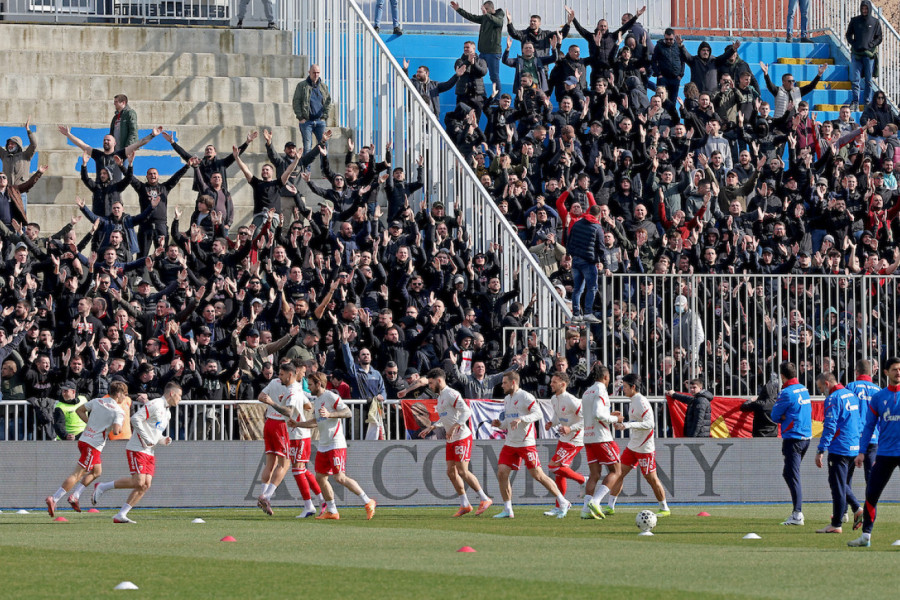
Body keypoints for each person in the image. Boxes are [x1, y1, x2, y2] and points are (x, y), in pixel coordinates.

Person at [91, 382, 183, 523]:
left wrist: (163, 439)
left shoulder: (167, 412)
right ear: (172, 393)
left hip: (149, 451)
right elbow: (135, 419)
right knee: (138, 481)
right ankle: (102, 486)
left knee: (145, 484)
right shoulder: (156, 404)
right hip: (137, 448)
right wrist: (146, 438)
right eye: (179, 395)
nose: (180, 399)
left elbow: (155, 432)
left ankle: (121, 514)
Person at [296, 372, 376, 520]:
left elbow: (347, 412)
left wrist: (330, 414)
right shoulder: (318, 400)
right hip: (324, 444)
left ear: (319, 384)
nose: (309, 387)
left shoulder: (330, 396)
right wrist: (298, 424)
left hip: (335, 443)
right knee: (320, 477)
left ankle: (368, 501)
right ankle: (332, 511)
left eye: (311, 384)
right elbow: (317, 421)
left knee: (339, 477)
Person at [491, 371, 571, 518]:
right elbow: (509, 423)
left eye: (504, 383)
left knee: (538, 475)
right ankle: (508, 509)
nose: (502, 386)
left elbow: (538, 414)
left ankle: (563, 501)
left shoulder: (526, 396)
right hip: (510, 443)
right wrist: (500, 425)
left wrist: (522, 419)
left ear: (513, 383)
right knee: (502, 473)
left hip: (526, 443)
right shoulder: (507, 399)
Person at [44, 381, 128, 517]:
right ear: (118, 394)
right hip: (93, 445)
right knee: (77, 474)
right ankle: (54, 498)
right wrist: (114, 425)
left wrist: (91, 424)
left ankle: (75, 496)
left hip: (84, 440)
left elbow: (79, 410)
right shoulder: (119, 411)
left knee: (97, 471)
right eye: (124, 394)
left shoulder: (98, 401)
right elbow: (117, 431)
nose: (125, 397)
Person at [419, 368, 493, 516]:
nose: (430, 386)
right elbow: (447, 417)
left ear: (439, 380)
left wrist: (454, 427)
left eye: (431, 383)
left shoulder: (451, 394)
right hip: (451, 439)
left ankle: (485, 499)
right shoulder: (440, 398)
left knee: (462, 471)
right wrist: (433, 426)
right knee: (451, 472)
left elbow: (466, 411)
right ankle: (465, 504)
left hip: (461, 437)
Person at [848, 357, 900, 547]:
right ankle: (865, 537)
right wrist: (861, 452)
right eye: (894, 369)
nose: (898, 372)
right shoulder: (879, 397)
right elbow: (869, 426)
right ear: (886, 373)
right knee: (872, 493)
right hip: (885, 452)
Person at [611, 373, 671, 517]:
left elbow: (650, 424)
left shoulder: (641, 401)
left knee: (651, 478)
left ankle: (664, 508)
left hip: (645, 447)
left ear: (633, 387)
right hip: (633, 445)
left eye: (625, 387)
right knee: (618, 473)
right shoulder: (633, 401)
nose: (623, 389)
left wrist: (627, 425)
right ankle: (609, 506)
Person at [814, 372, 862, 534]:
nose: (822, 392)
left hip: (839, 447)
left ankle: (836, 524)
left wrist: (821, 449)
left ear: (827, 384)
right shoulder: (851, 395)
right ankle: (854, 509)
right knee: (843, 484)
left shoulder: (833, 399)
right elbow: (858, 420)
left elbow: (830, 426)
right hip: (854, 446)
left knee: (837, 485)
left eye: (821, 388)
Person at [254, 362, 304, 516]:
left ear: (289, 374)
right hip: (280, 425)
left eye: (281, 374)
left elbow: (261, 396)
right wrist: (272, 402)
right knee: (285, 464)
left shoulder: (274, 383)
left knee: (270, 462)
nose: (279, 376)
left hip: (269, 423)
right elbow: (289, 411)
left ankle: (263, 495)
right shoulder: (293, 388)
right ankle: (266, 497)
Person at [772, 361, 812, 526]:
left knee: (792, 475)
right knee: (789, 473)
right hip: (806, 438)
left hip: (793, 438)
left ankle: (797, 514)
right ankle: (797, 512)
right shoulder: (804, 389)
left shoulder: (786, 393)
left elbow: (774, 416)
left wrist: (784, 417)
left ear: (782, 376)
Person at [581, 364, 621, 519]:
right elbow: (598, 414)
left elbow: (591, 414)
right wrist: (615, 418)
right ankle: (596, 501)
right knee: (616, 471)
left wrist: (608, 414)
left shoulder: (587, 392)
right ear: (605, 377)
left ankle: (585, 509)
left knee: (594, 474)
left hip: (589, 437)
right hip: (602, 437)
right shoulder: (601, 390)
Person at [543, 371, 585, 516]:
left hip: (574, 440)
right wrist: (552, 423)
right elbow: (558, 416)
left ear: (563, 384)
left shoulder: (572, 400)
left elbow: (585, 419)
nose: (551, 384)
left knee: (553, 466)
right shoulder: (554, 398)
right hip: (564, 439)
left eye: (554, 382)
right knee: (559, 474)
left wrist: (570, 428)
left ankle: (582, 480)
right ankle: (559, 506)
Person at [450, 1, 505, 97]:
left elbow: (498, 22)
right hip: (483, 52)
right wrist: (459, 10)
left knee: (494, 76)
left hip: (493, 53)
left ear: (492, 9)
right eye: (483, 9)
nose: (484, 11)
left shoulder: (499, 17)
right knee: (478, 74)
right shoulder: (485, 18)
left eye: (486, 9)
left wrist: (486, 15)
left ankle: (497, 98)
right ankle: (483, 95)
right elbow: (471, 17)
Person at [287, 382, 322, 518]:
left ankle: (309, 505)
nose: (280, 377)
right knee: (302, 470)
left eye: (282, 374)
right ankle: (321, 500)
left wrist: (274, 404)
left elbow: (289, 411)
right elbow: (308, 406)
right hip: (297, 434)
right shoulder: (297, 391)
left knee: (297, 470)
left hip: (298, 435)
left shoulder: (292, 392)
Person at [845, 359, 881, 482]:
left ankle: (847, 501)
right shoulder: (878, 390)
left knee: (847, 476)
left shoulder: (850, 387)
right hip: (873, 437)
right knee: (871, 477)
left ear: (856, 372)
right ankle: (870, 501)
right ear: (871, 372)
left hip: (854, 436)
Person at [566, 204, 603, 323]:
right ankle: (587, 312)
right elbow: (601, 247)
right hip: (588, 261)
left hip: (575, 260)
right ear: (599, 215)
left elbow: (569, 239)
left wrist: (568, 254)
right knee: (592, 287)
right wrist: (604, 264)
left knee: (577, 289)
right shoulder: (597, 227)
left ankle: (576, 314)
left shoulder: (577, 223)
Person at [846, 1, 883, 111]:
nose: (864, 10)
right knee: (855, 79)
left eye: (866, 9)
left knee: (868, 80)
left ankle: (867, 102)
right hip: (856, 54)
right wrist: (853, 43)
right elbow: (848, 34)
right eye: (863, 8)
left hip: (869, 55)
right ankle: (855, 101)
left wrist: (872, 45)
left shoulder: (875, 22)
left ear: (870, 9)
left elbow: (879, 37)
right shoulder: (855, 20)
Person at [292, 65, 332, 153]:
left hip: (320, 121)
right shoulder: (302, 85)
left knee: (324, 146)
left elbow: (328, 102)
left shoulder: (323, 86)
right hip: (306, 122)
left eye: (318, 72)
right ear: (309, 72)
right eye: (314, 72)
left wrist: (324, 117)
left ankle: (325, 167)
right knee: (307, 147)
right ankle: (306, 167)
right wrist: (300, 117)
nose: (316, 75)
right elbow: (296, 101)